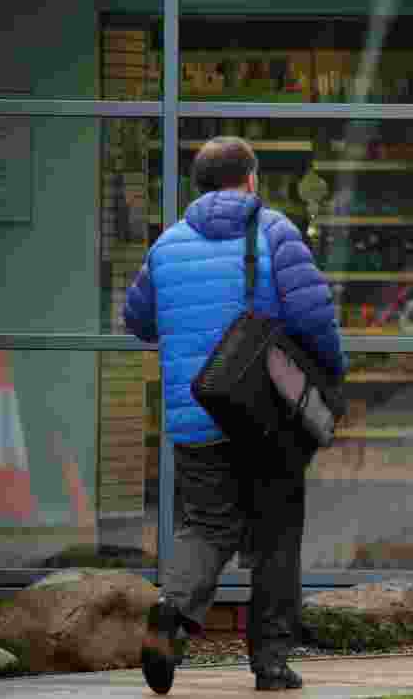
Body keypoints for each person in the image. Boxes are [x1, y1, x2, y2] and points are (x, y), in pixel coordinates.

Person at [122, 136, 347, 692]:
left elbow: (138, 320)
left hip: (196, 415)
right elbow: (314, 316)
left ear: (197, 186)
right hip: (267, 417)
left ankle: (173, 611)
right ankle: (270, 663)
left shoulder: (166, 246)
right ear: (251, 180)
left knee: (208, 525)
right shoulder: (274, 232)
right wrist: (330, 376)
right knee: (275, 535)